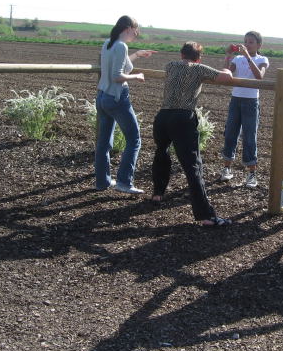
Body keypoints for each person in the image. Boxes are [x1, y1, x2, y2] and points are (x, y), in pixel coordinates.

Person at [151, 41, 234, 227]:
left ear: (182, 54)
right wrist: (227, 64)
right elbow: (226, 77)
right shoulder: (199, 68)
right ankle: (206, 216)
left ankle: (157, 193)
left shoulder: (170, 65)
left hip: (163, 116)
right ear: (198, 57)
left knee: (161, 153)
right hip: (183, 118)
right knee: (193, 166)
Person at [95, 15, 155, 194]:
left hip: (102, 97)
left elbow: (120, 65)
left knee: (103, 142)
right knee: (134, 140)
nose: (137, 34)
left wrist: (136, 55)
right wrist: (137, 76)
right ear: (128, 28)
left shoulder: (108, 43)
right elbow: (117, 76)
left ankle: (102, 182)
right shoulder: (121, 46)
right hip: (117, 97)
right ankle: (124, 182)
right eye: (136, 30)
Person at [219, 31, 269, 188]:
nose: (247, 44)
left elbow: (259, 76)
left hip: (251, 102)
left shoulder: (262, 59)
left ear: (259, 45)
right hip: (235, 100)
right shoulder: (238, 59)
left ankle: (251, 173)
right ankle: (227, 168)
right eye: (245, 41)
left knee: (249, 137)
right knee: (230, 133)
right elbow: (225, 74)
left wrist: (247, 56)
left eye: (251, 42)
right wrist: (228, 55)